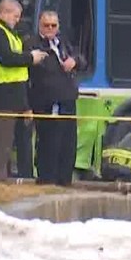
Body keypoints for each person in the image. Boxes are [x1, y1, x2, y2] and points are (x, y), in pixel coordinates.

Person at [0, 0, 46, 181]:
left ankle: (16, 179)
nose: (17, 20)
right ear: (5, 12)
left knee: (16, 142)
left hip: (14, 95)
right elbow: (6, 58)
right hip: (0, 95)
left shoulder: (8, 32)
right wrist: (31, 58)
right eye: (16, 16)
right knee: (2, 142)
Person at [22, 10, 87, 186]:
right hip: (46, 102)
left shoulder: (63, 42)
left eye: (54, 25)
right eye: (46, 25)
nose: (50, 28)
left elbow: (82, 59)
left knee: (68, 143)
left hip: (68, 101)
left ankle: (65, 181)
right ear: (39, 26)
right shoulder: (32, 44)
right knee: (49, 143)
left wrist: (75, 61)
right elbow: (28, 73)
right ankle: (47, 180)